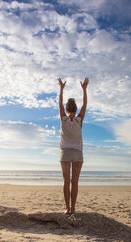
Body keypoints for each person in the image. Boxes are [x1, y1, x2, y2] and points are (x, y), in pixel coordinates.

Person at [58, 77, 89, 214]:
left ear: (66, 108)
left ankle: (67, 208)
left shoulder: (63, 119)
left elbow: (59, 103)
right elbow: (85, 105)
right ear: (75, 109)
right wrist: (84, 89)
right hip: (77, 154)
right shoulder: (79, 120)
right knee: (74, 182)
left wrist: (61, 89)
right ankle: (74, 208)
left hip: (65, 153)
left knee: (66, 182)